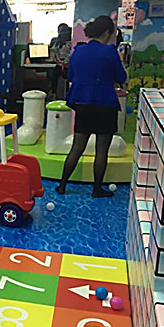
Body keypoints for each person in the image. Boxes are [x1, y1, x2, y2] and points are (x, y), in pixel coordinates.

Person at [57, 15, 127, 198]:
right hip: (105, 104)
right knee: (101, 150)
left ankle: (62, 185)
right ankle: (97, 189)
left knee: (77, 147)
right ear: (107, 32)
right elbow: (121, 78)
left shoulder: (78, 51)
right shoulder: (110, 52)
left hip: (83, 104)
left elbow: (71, 77)